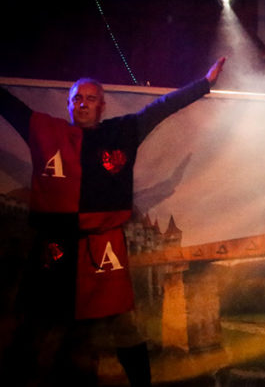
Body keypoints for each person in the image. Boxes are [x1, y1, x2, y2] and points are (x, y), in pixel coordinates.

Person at [0, 57, 226, 387]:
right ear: (69, 104)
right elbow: (9, 106)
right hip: (56, 244)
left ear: (102, 105)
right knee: (41, 320)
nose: (83, 103)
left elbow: (161, 108)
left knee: (123, 324)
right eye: (77, 97)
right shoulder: (46, 131)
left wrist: (204, 84)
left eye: (91, 98)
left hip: (103, 244)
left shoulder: (122, 133)